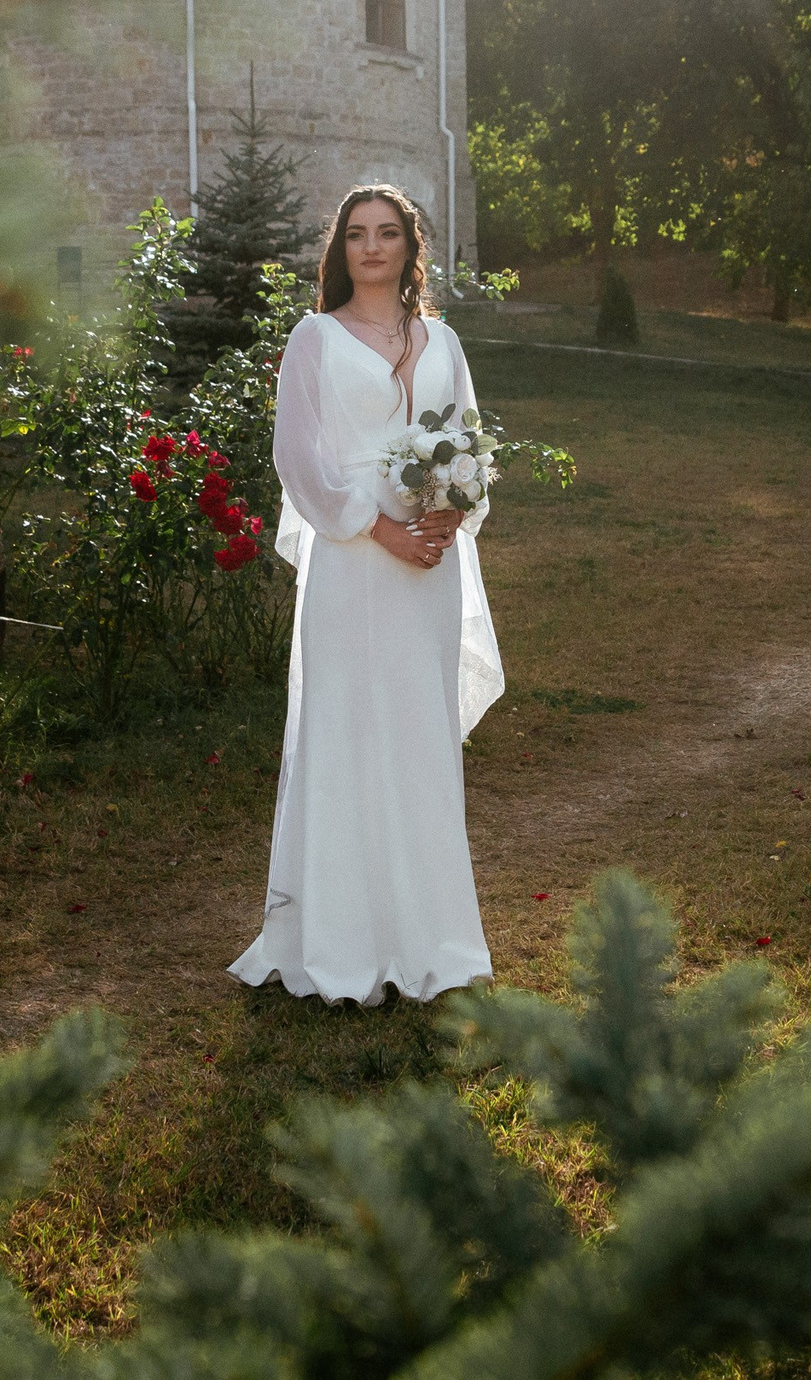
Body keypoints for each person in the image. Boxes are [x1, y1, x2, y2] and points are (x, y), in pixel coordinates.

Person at [229, 184, 503, 1005]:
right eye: (358, 235)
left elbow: (470, 441)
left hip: (430, 565)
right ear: (340, 250)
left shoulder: (444, 340)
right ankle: (341, 939)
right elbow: (299, 460)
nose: (373, 247)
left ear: (410, 247)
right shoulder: (313, 337)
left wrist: (451, 514)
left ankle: (431, 939)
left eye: (388, 233)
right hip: (352, 561)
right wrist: (378, 528)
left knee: (419, 735)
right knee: (345, 731)